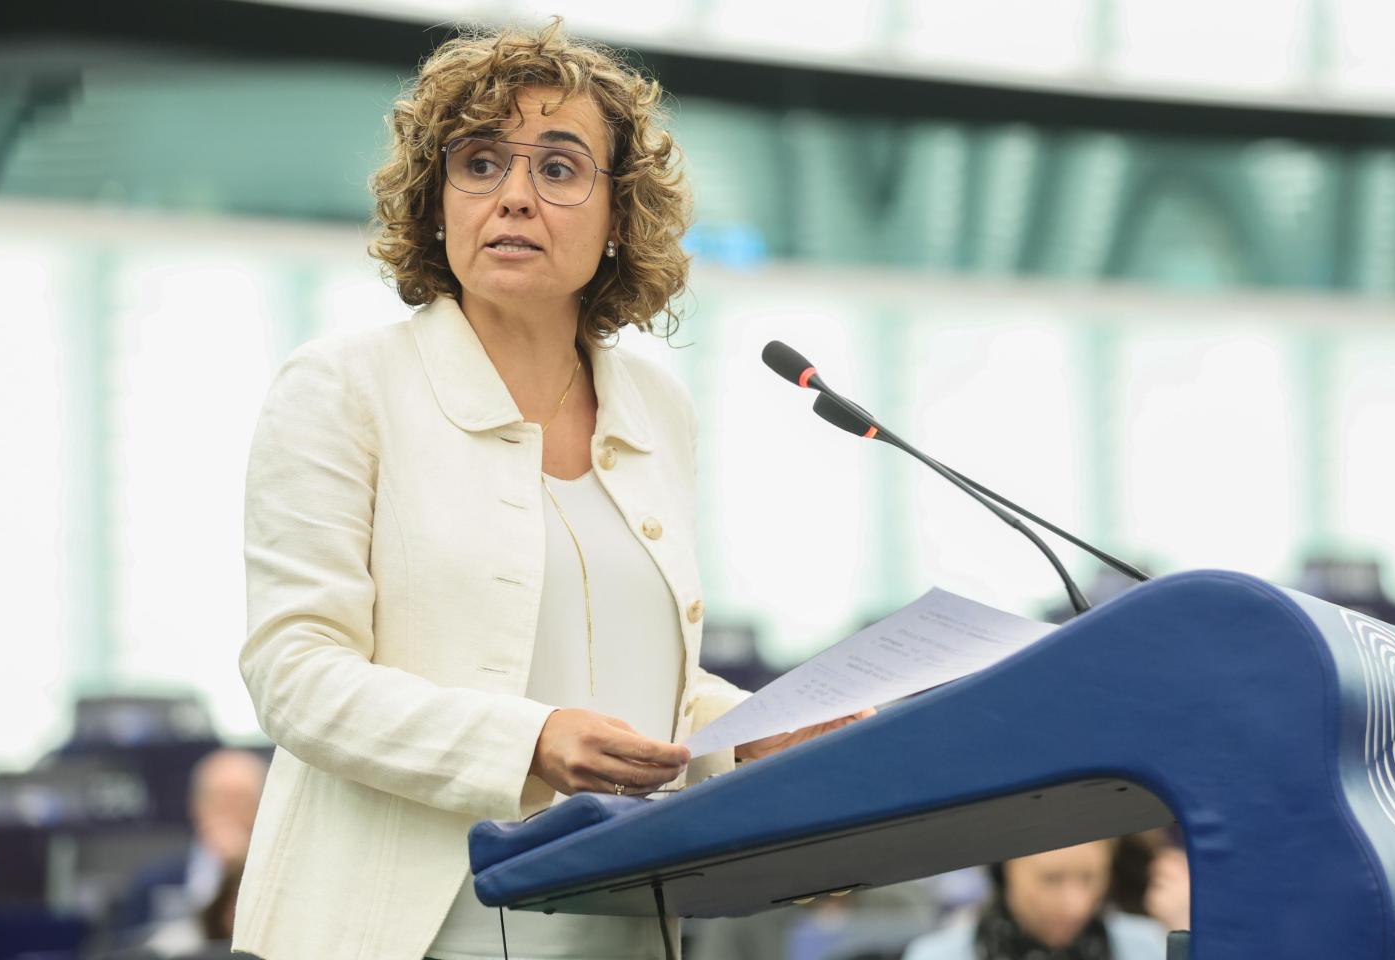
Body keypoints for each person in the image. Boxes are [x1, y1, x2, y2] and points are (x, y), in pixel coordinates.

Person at [230, 19, 868, 960]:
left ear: (620, 218)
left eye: (560, 169)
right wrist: (527, 741)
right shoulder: (343, 388)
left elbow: (642, 679)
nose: (515, 197)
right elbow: (295, 675)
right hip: (399, 930)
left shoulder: (654, 405)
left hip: (616, 922)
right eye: (480, 163)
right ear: (436, 202)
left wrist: (753, 735)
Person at [900, 840, 1167, 960]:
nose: (1076, 905)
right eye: (1051, 879)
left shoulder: (1150, 947)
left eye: (1089, 878)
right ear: (1004, 872)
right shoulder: (934, 956)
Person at [110, 748, 263, 938]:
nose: (228, 810)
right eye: (218, 798)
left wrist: (241, 867)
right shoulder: (154, 881)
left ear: (263, 807)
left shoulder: (281, 881)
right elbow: (124, 947)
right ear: (195, 805)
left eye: (241, 800)